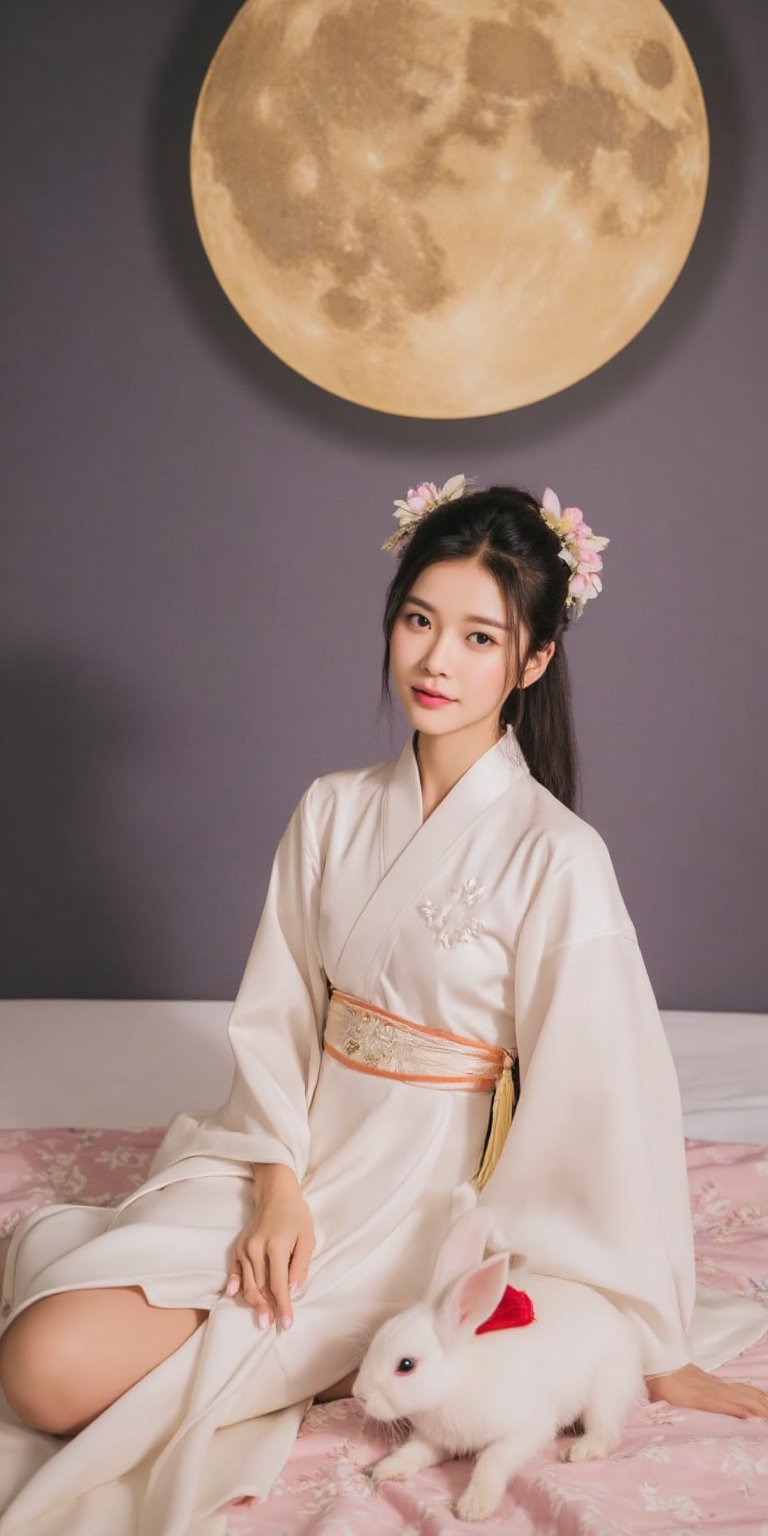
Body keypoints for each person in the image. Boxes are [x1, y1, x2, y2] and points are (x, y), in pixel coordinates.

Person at [0, 477, 766, 1536]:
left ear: (534, 661)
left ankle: (319, 1349)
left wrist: (655, 1347)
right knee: (40, 1352)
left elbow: (604, 1104)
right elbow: (274, 1019)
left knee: (52, 1378)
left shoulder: (561, 860)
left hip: (416, 1209)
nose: (437, 661)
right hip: (286, 1156)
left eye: (480, 638)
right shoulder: (329, 810)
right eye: (419, 620)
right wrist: (275, 1182)